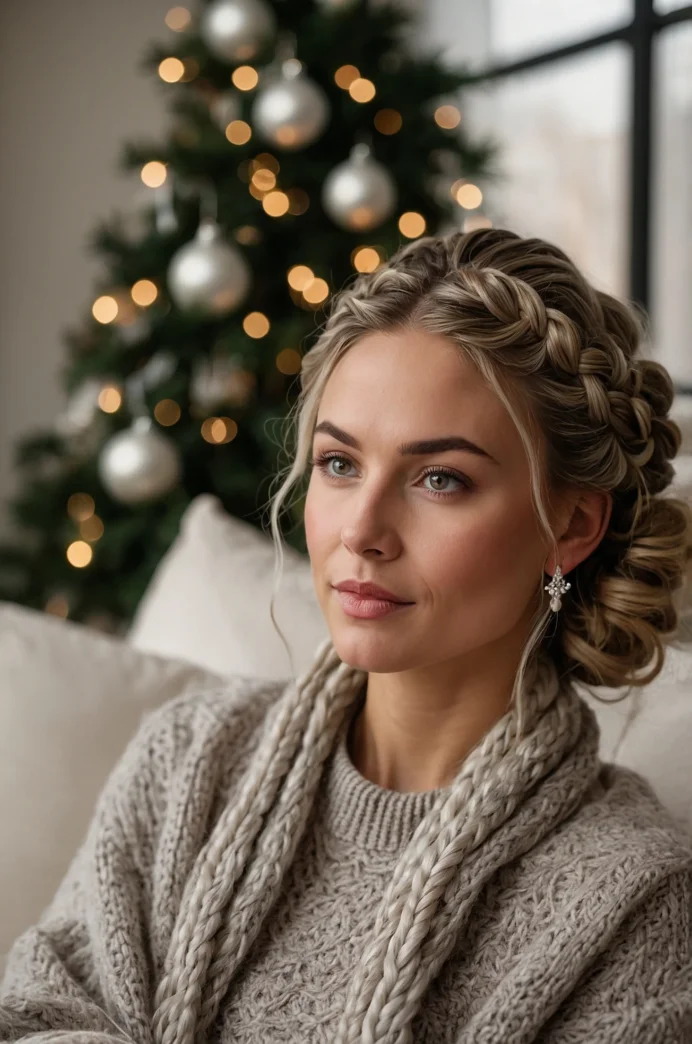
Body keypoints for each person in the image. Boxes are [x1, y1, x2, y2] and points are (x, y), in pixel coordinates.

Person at [1, 227, 691, 1044]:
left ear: (570, 526)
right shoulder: (185, 761)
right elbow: (38, 1017)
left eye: (441, 479)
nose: (361, 529)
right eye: (339, 464)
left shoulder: (634, 900)